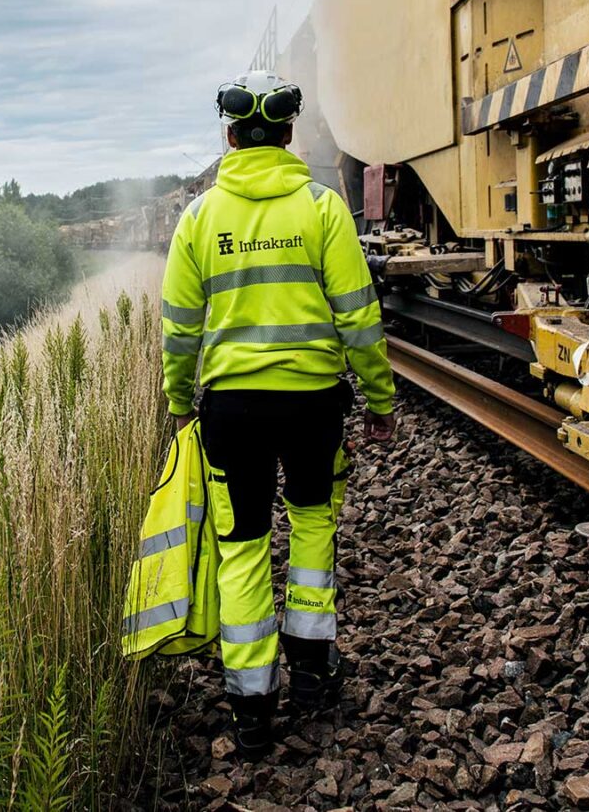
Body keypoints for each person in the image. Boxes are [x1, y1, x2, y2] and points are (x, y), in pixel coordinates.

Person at [159, 71, 398, 757]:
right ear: (289, 134)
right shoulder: (323, 210)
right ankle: (316, 678)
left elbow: (179, 329)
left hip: (232, 409)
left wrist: (181, 403)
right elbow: (359, 317)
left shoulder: (200, 219)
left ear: (229, 136)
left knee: (240, 546)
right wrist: (379, 400)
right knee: (314, 528)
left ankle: (251, 706)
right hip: (314, 404)